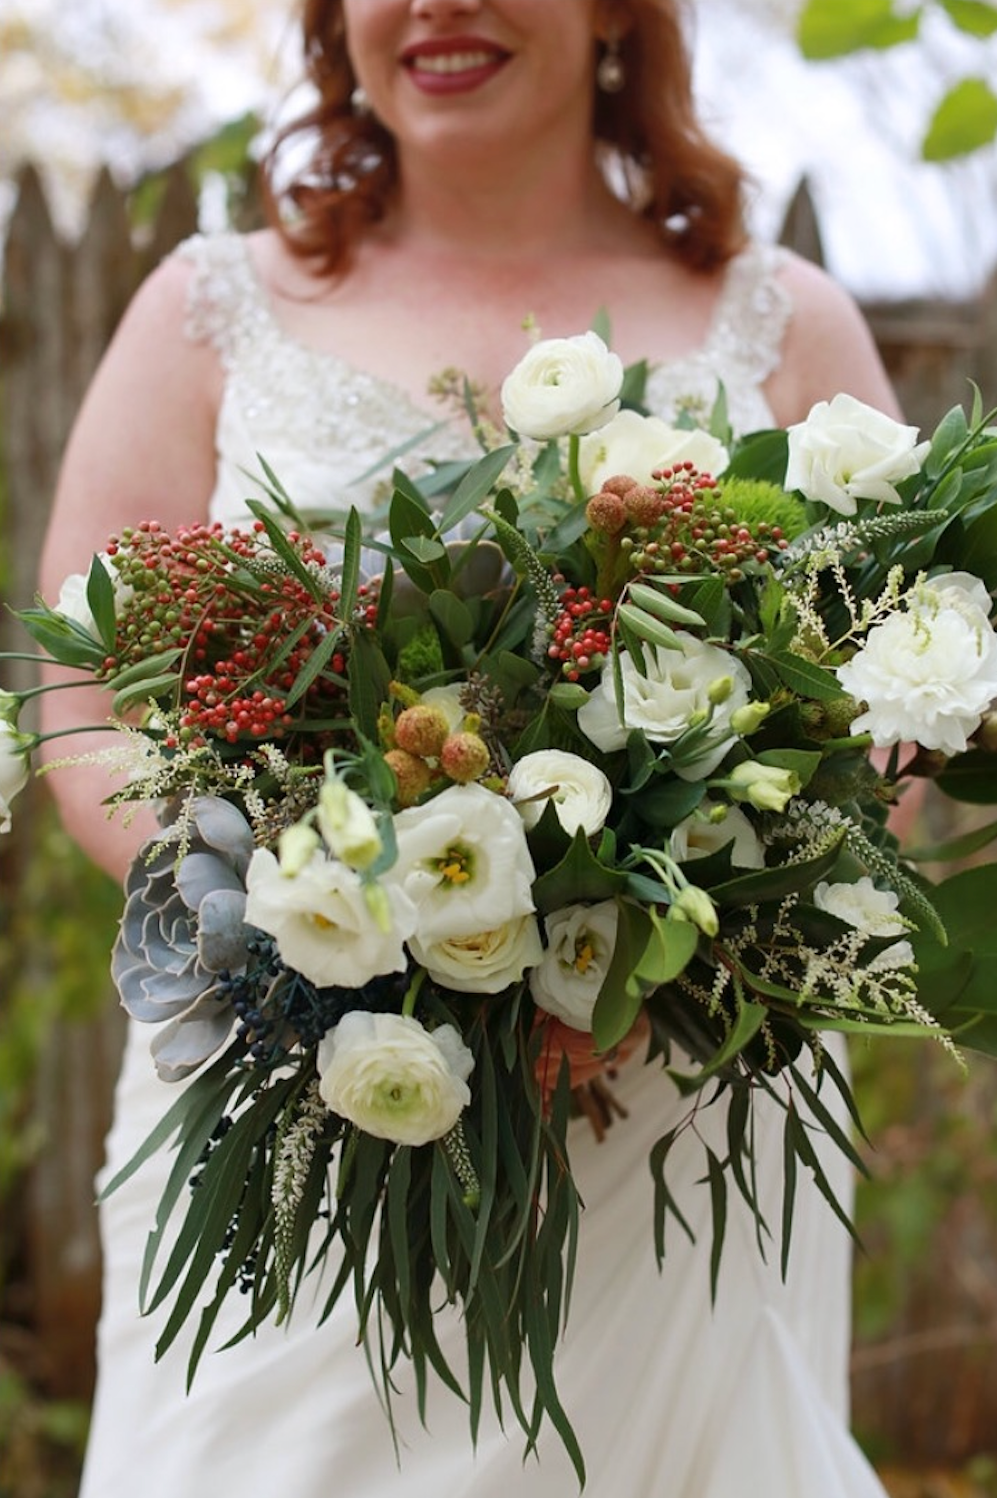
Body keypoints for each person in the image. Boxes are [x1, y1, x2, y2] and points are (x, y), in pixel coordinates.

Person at [39, 2, 902, 1494]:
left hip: (663, 1143)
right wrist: (322, 933)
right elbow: (84, 697)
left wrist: (660, 941)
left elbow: (880, 712)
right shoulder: (204, 310)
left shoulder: (786, 324)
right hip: (286, 1118)